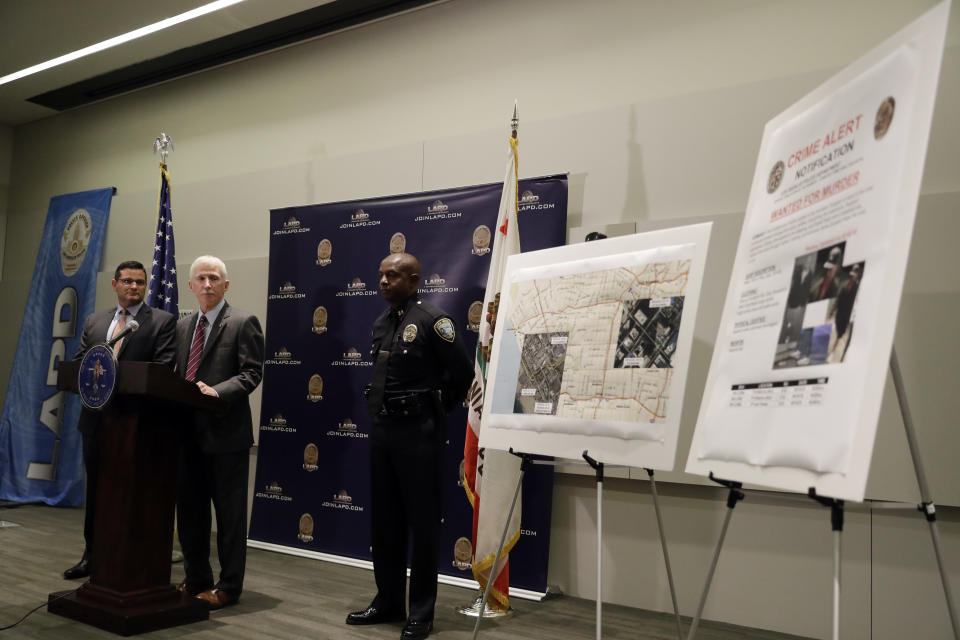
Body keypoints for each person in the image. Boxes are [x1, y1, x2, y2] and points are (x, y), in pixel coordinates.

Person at [346, 252, 472, 640]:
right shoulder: (382, 322)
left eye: (394, 275)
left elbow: (463, 373)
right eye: (382, 275)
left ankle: (421, 612)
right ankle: (387, 602)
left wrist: (435, 408)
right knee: (385, 522)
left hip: (419, 433)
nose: (384, 281)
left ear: (414, 280)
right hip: (384, 432)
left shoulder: (435, 321)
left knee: (422, 524)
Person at [63, 260, 177, 580]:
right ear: (114, 285)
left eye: (140, 283)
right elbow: (80, 365)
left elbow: (163, 371)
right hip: (97, 422)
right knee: (97, 492)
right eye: (127, 281)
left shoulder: (161, 322)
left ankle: (128, 558)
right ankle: (92, 556)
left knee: (132, 493)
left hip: (136, 426)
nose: (134, 287)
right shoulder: (95, 321)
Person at [174, 255, 264, 609]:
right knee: (191, 513)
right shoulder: (182, 326)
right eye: (201, 278)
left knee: (229, 518)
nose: (207, 284)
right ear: (191, 285)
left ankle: (229, 587)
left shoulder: (243, 322)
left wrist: (217, 392)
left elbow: (251, 373)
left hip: (226, 436)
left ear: (225, 285)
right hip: (187, 436)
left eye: (214, 278)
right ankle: (196, 577)